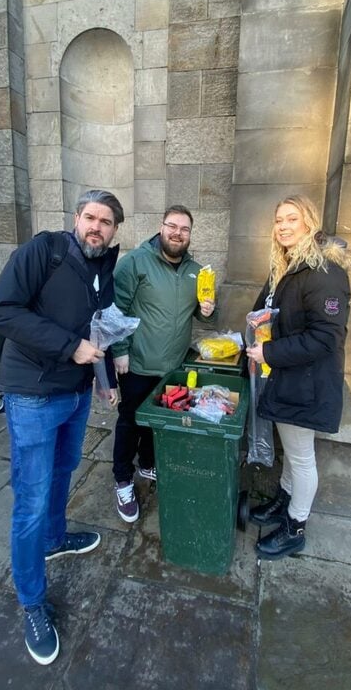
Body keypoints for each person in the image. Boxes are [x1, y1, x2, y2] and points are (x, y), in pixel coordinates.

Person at [0, 190, 124, 666]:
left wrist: (102, 379)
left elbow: (99, 332)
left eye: (106, 222)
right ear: (76, 218)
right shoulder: (42, 251)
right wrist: (70, 348)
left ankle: (55, 540)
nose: (96, 227)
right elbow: (0, 312)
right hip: (32, 395)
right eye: (90, 217)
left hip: (77, 393)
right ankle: (31, 603)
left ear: (114, 231)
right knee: (31, 499)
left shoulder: (104, 267)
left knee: (64, 473)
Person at [245, 194, 351, 561]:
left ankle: (296, 528)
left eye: (292, 219)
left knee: (302, 457)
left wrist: (269, 352)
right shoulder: (287, 268)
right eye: (278, 220)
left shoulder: (324, 272)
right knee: (291, 453)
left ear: (309, 222)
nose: (283, 226)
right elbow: (265, 312)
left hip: (305, 383)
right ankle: (284, 502)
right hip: (287, 380)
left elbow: (326, 337)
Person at [111, 205, 216, 522]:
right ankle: (123, 480)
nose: (177, 233)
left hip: (173, 367)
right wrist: (119, 350)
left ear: (189, 234)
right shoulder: (134, 262)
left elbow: (194, 313)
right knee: (130, 422)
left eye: (184, 229)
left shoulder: (196, 271)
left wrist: (207, 309)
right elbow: (116, 309)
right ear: (161, 227)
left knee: (158, 422)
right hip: (139, 363)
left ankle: (147, 463)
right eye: (172, 226)